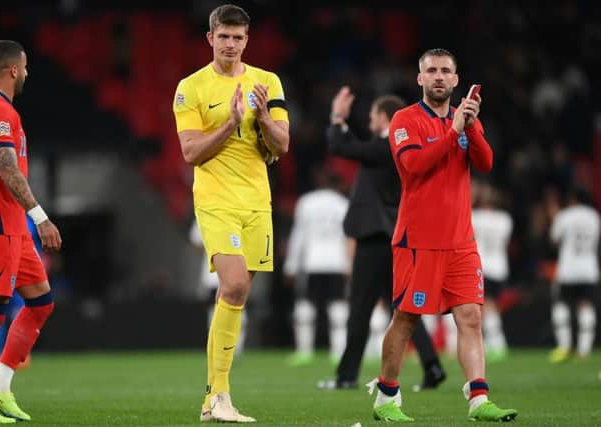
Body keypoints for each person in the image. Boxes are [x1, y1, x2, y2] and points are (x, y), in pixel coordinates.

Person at [367, 48, 517, 422]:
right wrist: (453, 133)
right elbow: (413, 164)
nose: (437, 76)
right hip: (417, 241)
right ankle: (386, 397)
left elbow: (485, 162)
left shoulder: (463, 119)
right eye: (430, 70)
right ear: (419, 79)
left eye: (445, 71)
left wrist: (471, 127)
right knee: (407, 318)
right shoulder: (405, 119)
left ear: (455, 79)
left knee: (470, 316)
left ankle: (479, 399)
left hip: (460, 241)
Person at [173, 4, 289, 423]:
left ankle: (212, 402)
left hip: (257, 201)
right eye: (223, 36)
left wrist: (260, 119)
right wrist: (230, 122)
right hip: (216, 199)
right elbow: (190, 152)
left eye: (238, 38)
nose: (230, 44)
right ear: (210, 38)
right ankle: (218, 393)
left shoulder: (267, 81)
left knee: (235, 295)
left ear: (246, 40)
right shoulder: (191, 88)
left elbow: (282, 145)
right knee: (235, 286)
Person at [318, 87, 446, 391]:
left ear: (386, 117)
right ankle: (432, 366)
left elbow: (340, 146)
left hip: (375, 237)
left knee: (360, 307)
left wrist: (338, 116)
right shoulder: (394, 146)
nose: (370, 118)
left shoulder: (387, 143)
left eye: (374, 113)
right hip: (391, 236)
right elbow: (352, 146)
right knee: (403, 309)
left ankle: (347, 376)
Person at [0, 40, 62, 423]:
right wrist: (41, 217)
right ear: (14, 70)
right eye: (26, 67)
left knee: (40, 302)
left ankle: (0, 389)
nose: (28, 73)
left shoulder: (1, 110)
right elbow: (7, 169)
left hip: (11, 225)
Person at [283, 165, 350, 366]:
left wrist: (291, 266)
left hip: (313, 261)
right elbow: (349, 238)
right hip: (337, 261)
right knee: (338, 306)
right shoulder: (342, 203)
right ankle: (338, 352)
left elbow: (298, 236)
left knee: (305, 306)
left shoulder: (306, 202)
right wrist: (350, 265)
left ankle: (304, 351)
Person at [548, 188, 599, 363]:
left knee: (561, 304)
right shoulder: (594, 216)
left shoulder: (565, 215)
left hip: (568, 269)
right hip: (589, 268)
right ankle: (584, 350)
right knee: (586, 305)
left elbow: (555, 240)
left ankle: (564, 347)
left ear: (572, 198)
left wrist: (554, 216)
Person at [189, 219, 248, 356]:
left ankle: (234, 348)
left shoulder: (243, 206)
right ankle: (219, 347)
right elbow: (196, 240)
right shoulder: (205, 205)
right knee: (216, 309)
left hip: (237, 267)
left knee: (236, 306)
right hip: (214, 272)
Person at [471, 182, 513, 362]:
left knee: (485, 306)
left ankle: (496, 343)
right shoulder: (505, 219)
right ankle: (496, 342)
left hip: (482, 266)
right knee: (492, 305)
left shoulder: (475, 216)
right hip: (500, 267)